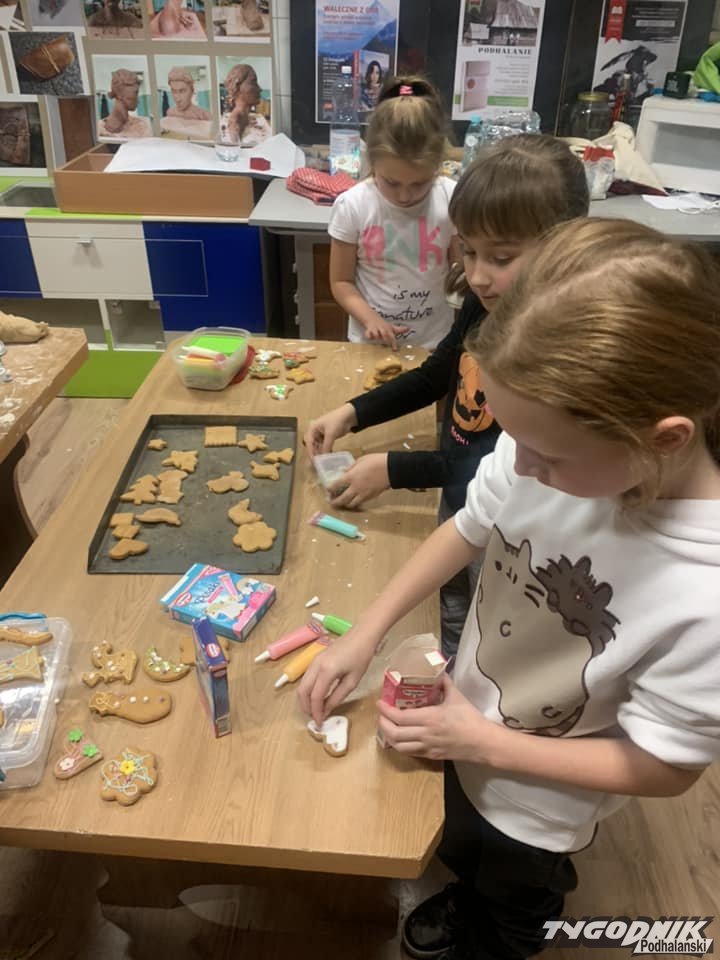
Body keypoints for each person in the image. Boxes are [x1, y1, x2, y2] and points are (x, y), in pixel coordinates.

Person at [299, 217, 720, 960]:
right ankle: (468, 896)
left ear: (663, 439)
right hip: (469, 724)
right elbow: (468, 527)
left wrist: (485, 742)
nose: (518, 467)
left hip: (541, 803)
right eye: (511, 437)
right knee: (463, 847)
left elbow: (664, 768)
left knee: (515, 897)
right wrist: (365, 633)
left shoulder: (703, 595)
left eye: (546, 456)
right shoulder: (546, 446)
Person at [306, 134, 589, 655]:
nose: (477, 275)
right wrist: (353, 412)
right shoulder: (486, 302)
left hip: (508, 533)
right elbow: (439, 373)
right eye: (469, 250)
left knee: (484, 630)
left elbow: (499, 465)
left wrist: (394, 470)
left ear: (565, 246)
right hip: (460, 504)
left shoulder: (553, 354)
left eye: (501, 257)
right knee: (449, 611)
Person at [328, 74, 458, 351]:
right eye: (391, 182)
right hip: (370, 344)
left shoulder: (451, 199)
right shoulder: (353, 205)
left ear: (437, 166)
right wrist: (370, 319)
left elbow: (460, 271)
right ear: (372, 162)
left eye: (419, 183)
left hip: (434, 343)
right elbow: (341, 281)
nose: (404, 196)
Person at [223, 63, 271, 146]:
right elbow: (235, 147)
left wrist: (246, 122)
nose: (260, 89)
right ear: (238, 86)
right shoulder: (235, 119)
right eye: (253, 82)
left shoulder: (244, 116)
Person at [98, 68, 151, 138]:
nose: (138, 100)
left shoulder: (140, 124)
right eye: (135, 93)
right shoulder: (106, 126)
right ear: (120, 94)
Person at [161, 65, 211, 138]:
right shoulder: (170, 113)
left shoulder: (204, 115)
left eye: (182, 91)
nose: (177, 98)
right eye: (174, 91)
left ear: (192, 91)